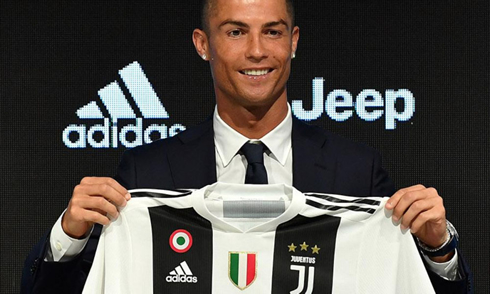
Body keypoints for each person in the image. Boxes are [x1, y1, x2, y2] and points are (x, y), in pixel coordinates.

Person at [22, 0, 472, 293]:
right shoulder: (147, 172)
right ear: (204, 45)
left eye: (273, 32)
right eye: (236, 32)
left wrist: (438, 248)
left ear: (293, 43)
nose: (257, 51)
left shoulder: (356, 170)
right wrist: (68, 236)